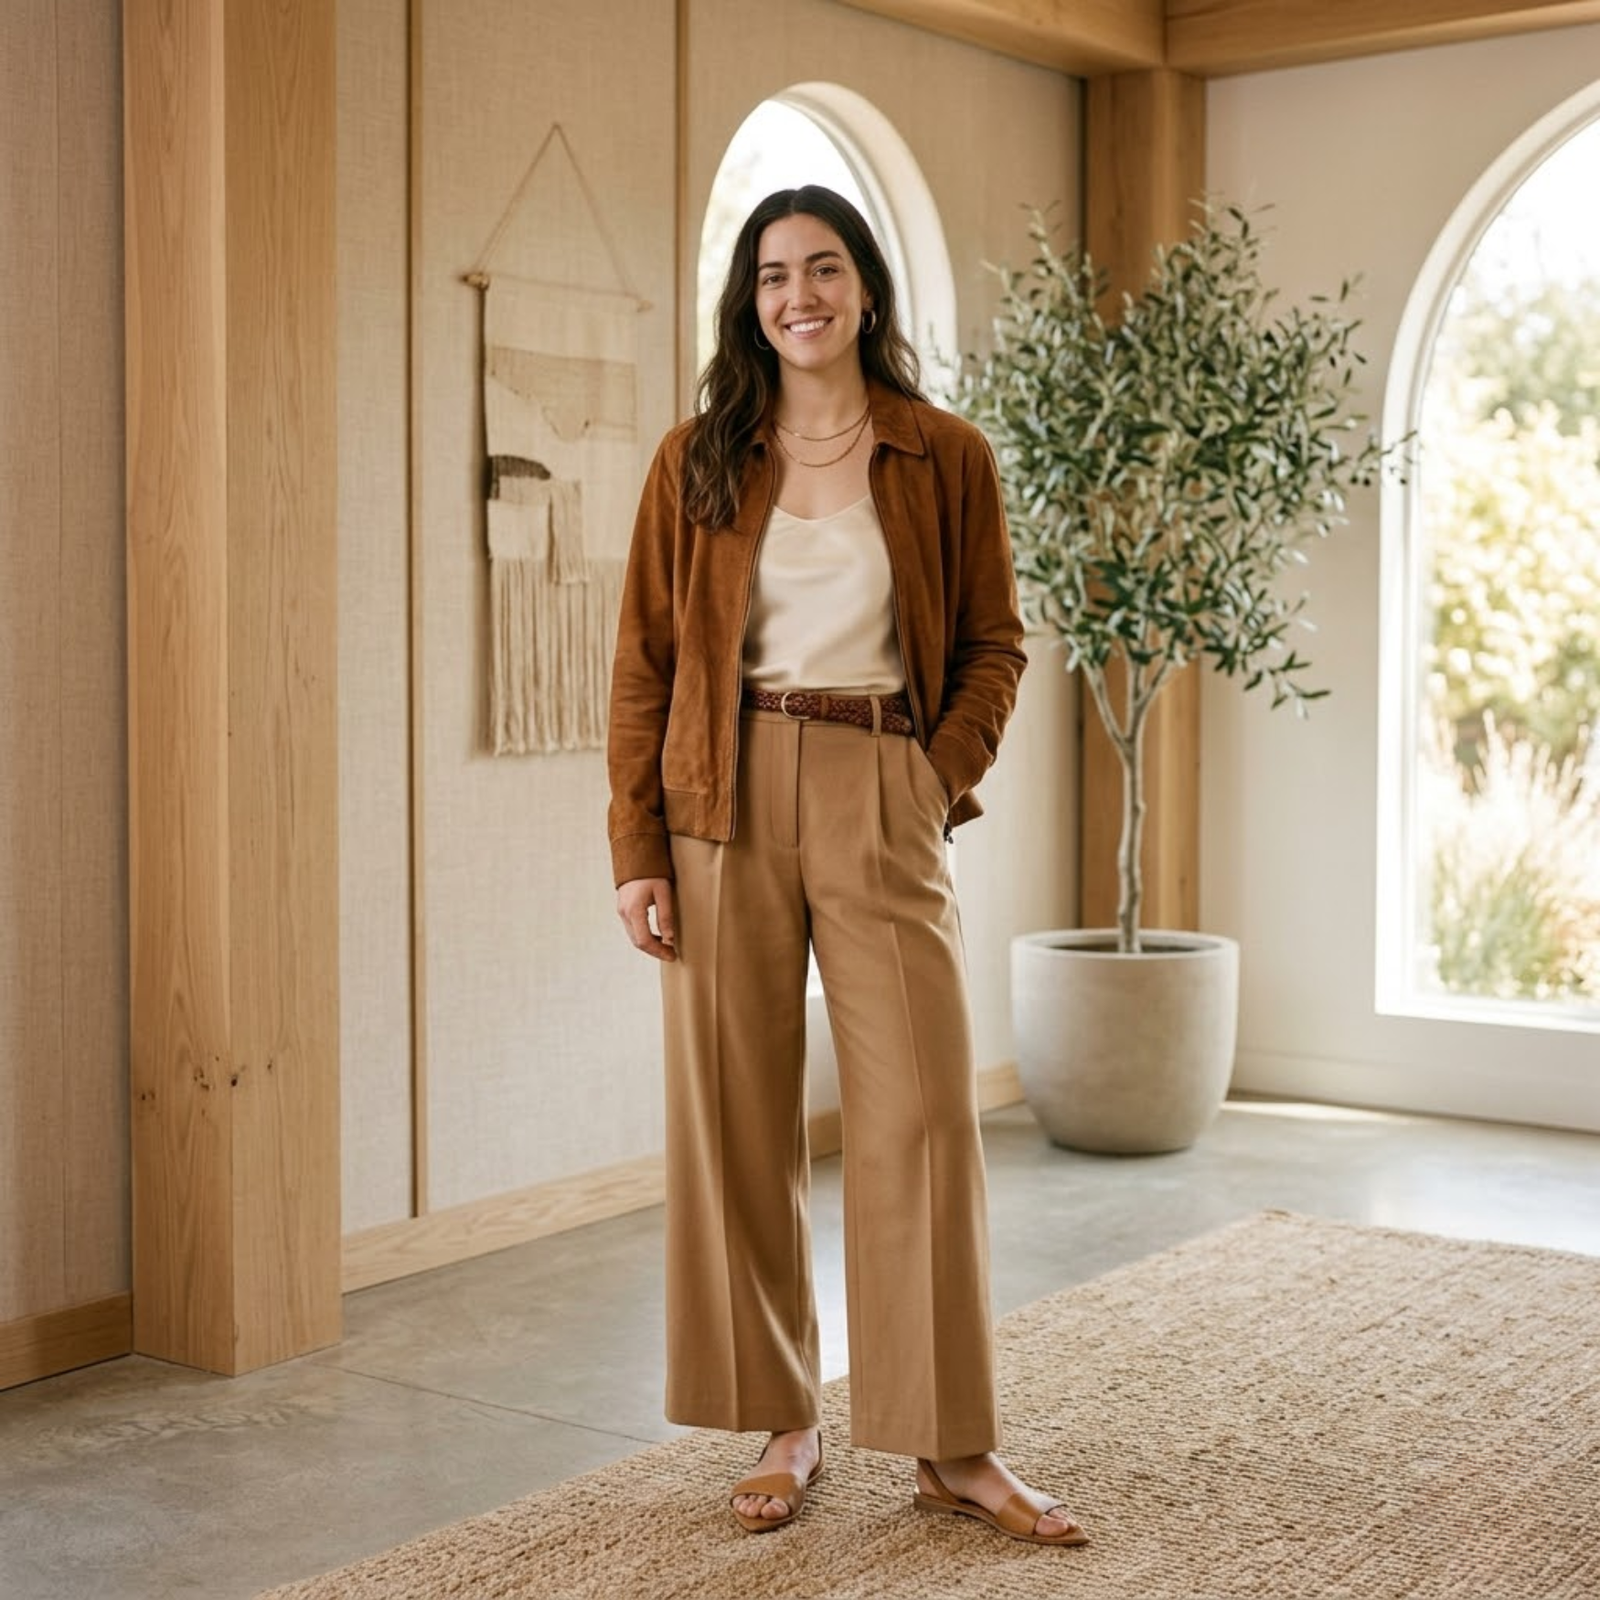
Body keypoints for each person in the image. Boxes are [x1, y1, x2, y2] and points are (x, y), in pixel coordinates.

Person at [606, 184, 1086, 1548]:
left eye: (822, 268)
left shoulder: (944, 455)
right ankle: (783, 1419)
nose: (798, 295)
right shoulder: (696, 460)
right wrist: (638, 845)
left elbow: (993, 642)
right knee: (736, 1114)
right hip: (721, 793)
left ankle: (952, 1443)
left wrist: (934, 775)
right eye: (772, 275)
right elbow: (645, 662)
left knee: (922, 1114)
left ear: (865, 289)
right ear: (749, 302)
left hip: (883, 777)